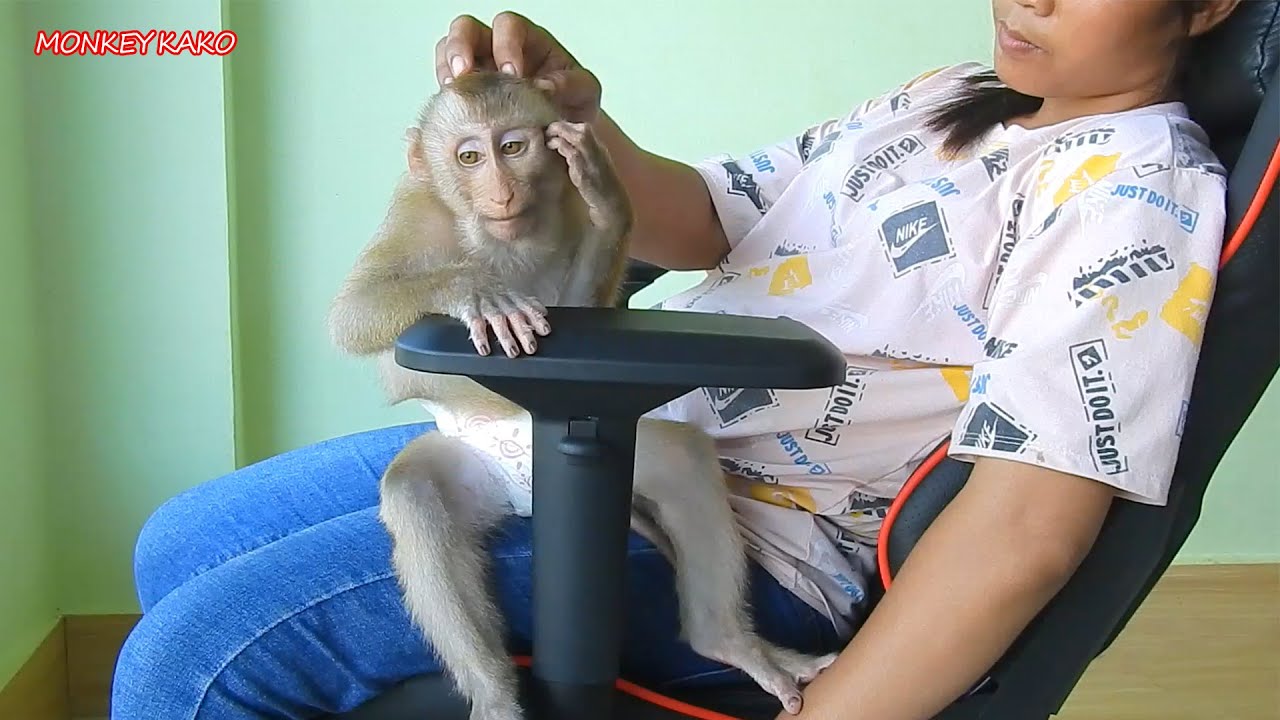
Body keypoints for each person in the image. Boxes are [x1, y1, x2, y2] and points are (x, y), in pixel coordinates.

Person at [111, 1, 1243, 718]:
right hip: (598, 432)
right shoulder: (946, 97)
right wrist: (571, 114)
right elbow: (707, 216)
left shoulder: (1132, 194)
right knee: (181, 544)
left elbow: (1028, 528)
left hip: (748, 534)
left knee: (192, 664)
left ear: (1209, 6)